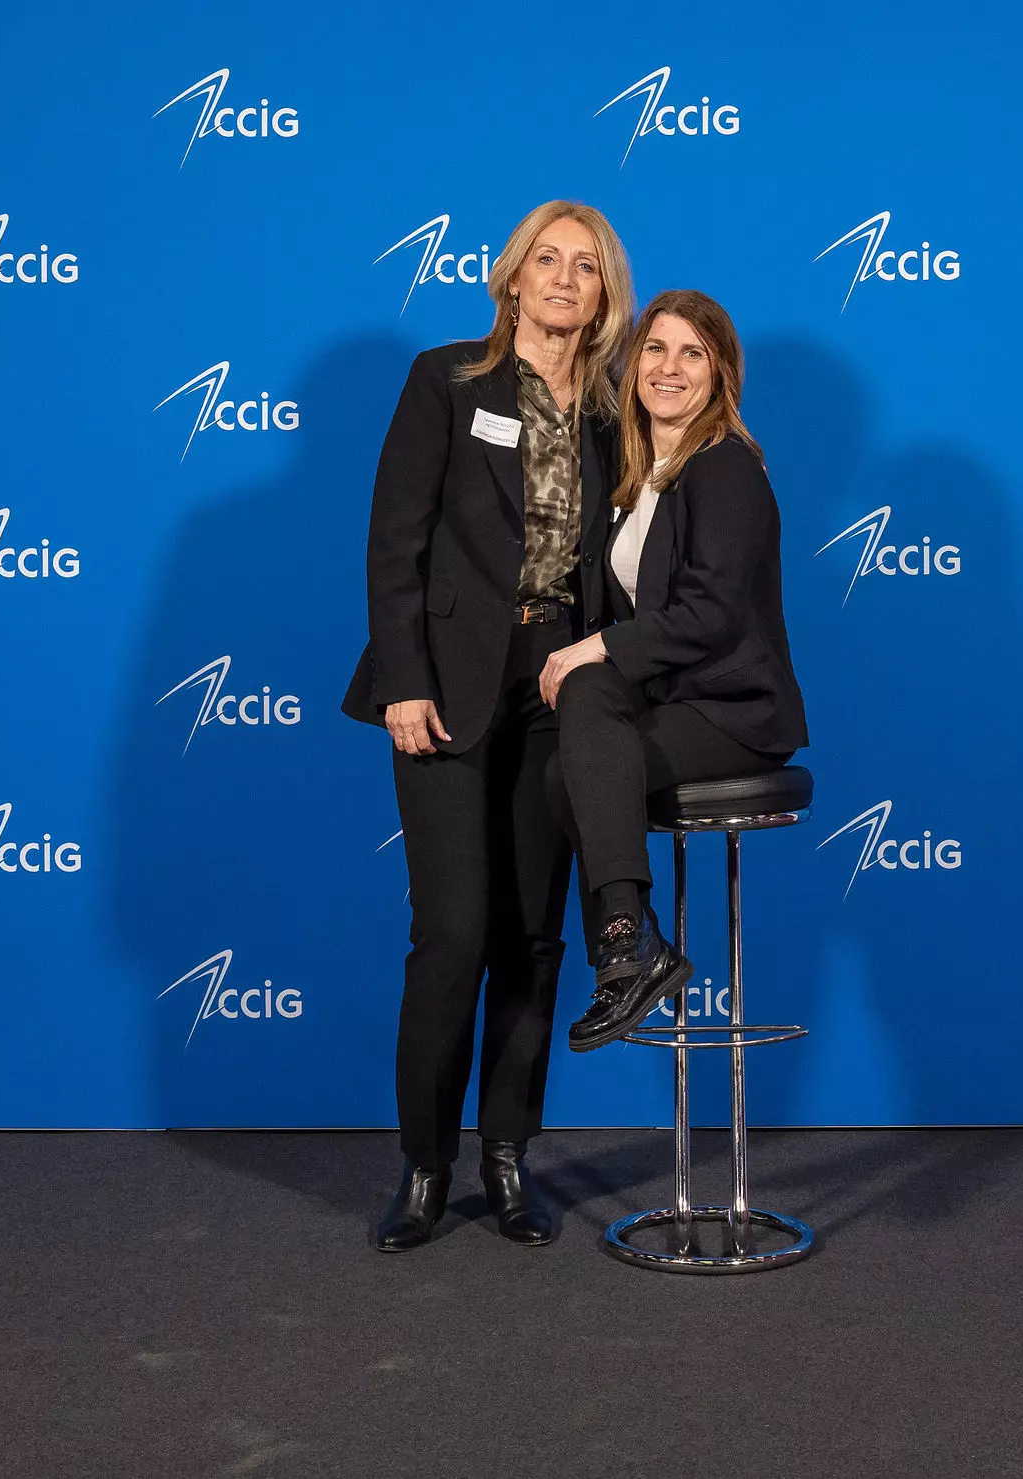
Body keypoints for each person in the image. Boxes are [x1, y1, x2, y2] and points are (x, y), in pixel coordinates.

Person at [341, 201, 633, 1251]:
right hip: (448, 681)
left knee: (531, 937)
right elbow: (395, 541)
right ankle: (424, 1167)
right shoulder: (448, 380)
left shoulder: (611, 409)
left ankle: (508, 1157)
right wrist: (403, 681)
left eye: (585, 267)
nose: (563, 280)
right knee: (454, 932)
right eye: (546, 260)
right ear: (511, 277)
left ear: (604, 294)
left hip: (557, 683)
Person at [538, 290, 808, 1051]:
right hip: (674, 701)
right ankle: (635, 945)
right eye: (656, 348)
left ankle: (624, 946)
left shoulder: (725, 467)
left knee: (589, 684)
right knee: (563, 769)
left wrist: (595, 647)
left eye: (693, 353)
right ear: (634, 364)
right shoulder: (640, 477)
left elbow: (711, 612)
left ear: (720, 374)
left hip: (735, 712)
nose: (669, 367)